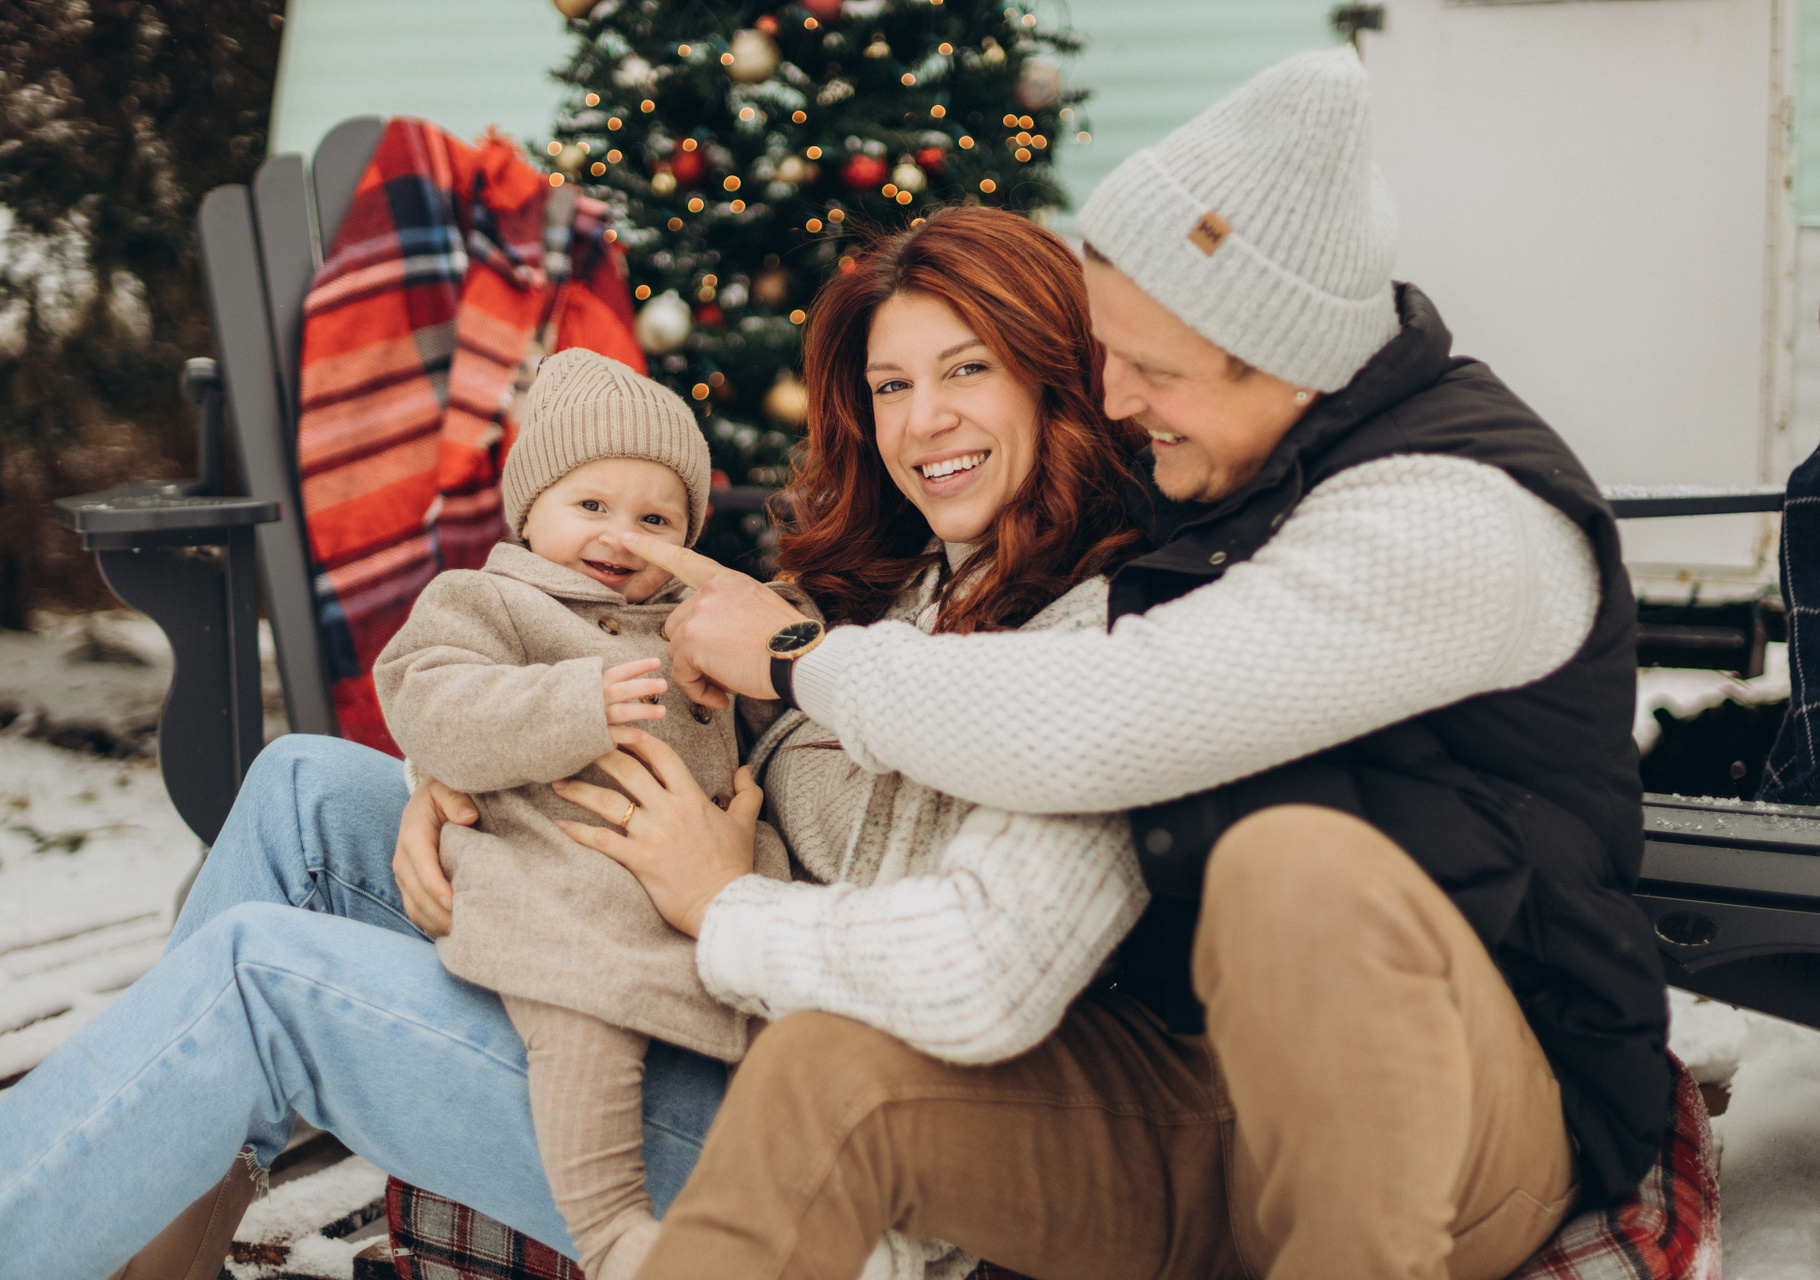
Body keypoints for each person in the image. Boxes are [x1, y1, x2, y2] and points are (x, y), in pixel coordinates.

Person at [609, 48, 1669, 1280]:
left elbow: (1099, 719)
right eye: (1106, 354)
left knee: (1295, 865)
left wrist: (799, 662)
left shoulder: (1453, 517)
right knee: (826, 1070)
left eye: (1151, 369)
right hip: (1200, 1088)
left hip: (1471, 1111)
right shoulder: (1206, 488)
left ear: (1283, 354)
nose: (1111, 400)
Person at [0, 206, 1148, 1280]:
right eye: (892, 385)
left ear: (1057, 374)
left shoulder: (1103, 645)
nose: (921, 420)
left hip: (800, 1124)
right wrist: (456, 772)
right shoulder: (911, 579)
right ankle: (135, 1251)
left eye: (967, 370)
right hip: (647, 946)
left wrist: (720, 894)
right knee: (303, 788)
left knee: (259, 974)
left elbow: (974, 971)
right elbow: (611, 691)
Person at [372, 349, 792, 1280]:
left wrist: (736, 679)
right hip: (554, 890)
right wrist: (573, 703)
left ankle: (794, 1206)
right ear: (531, 510)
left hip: (698, 898)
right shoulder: (487, 601)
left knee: (783, 1036)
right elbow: (428, 702)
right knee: (581, 1026)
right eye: (591, 505)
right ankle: (610, 1234)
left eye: (656, 519)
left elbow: (777, 709)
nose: (622, 538)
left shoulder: (697, 616)